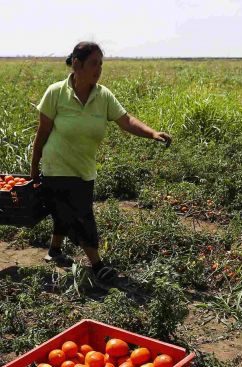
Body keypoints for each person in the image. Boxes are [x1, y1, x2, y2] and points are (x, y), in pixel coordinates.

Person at [30, 41, 171, 282]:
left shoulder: (103, 95)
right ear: (77, 63)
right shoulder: (55, 92)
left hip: (85, 167)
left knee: (66, 210)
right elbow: (42, 132)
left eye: (101, 64)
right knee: (81, 214)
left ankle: (54, 250)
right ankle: (97, 266)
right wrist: (34, 169)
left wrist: (152, 133)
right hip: (57, 165)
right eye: (94, 63)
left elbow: (126, 120)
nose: (99, 69)